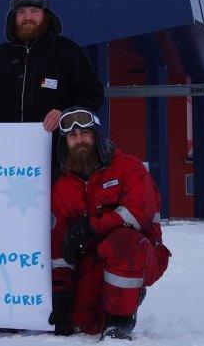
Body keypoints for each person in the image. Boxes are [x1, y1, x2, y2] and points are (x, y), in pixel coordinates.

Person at [49, 108, 170, 340]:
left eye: (85, 134)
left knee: (120, 244)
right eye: (72, 137)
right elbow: (59, 244)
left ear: (97, 135)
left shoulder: (128, 167)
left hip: (141, 252)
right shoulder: (61, 185)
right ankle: (117, 300)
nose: (79, 140)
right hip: (91, 259)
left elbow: (138, 213)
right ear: (65, 143)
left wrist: (91, 227)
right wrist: (61, 294)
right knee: (83, 323)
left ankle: (120, 321)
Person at [0, 0, 103, 131]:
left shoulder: (67, 51)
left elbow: (92, 94)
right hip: (6, 145)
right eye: (21, 12)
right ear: (13, 17)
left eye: (34, 11)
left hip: (55, 146)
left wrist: (66, 114)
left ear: (45, 15)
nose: (28, 17)